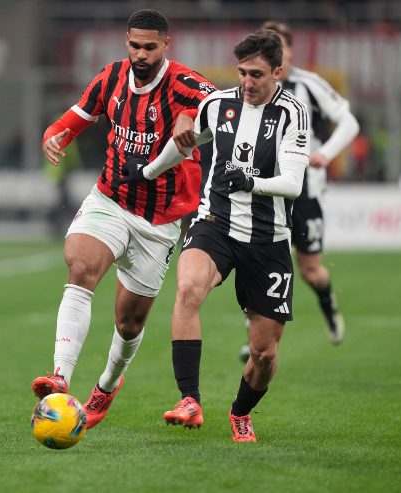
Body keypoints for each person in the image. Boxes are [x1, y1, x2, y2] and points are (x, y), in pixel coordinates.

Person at [32, 9, 217, 429]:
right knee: (80, 266)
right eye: (135, 45)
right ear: (126, 42)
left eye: (150, 47)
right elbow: (74, 119)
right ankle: (60, 376)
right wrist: (53, 135)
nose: (141, 54)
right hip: (110, 199)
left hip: (160, 221)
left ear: (166, 45)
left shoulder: (186, 84)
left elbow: (225, 109)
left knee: (129, 322)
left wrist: (193, 117)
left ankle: (107, 386)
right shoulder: (111, 77)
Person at [121, 30, 310, 442]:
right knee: (188, 289)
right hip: (215, 223)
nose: (247, 82)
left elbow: (294, 184)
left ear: (277, 72)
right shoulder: (218, 104)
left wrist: (251, 182)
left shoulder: (292, 113)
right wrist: (147, 171)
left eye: (256, 74)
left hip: (269, 238)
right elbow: (185, 143)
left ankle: (240, 412)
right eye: (242, 72)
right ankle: (189, 399)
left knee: (264, 354)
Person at [236, 21, 359, 361]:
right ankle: (255, 339)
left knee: (310, 270)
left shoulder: (308, 84)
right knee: (256, 263)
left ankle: (328, 305)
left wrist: (326, 154)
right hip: (265, 189)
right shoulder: (249, 88)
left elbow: (349, 122)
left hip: (305, 190)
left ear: (288, 52)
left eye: (280, 47)